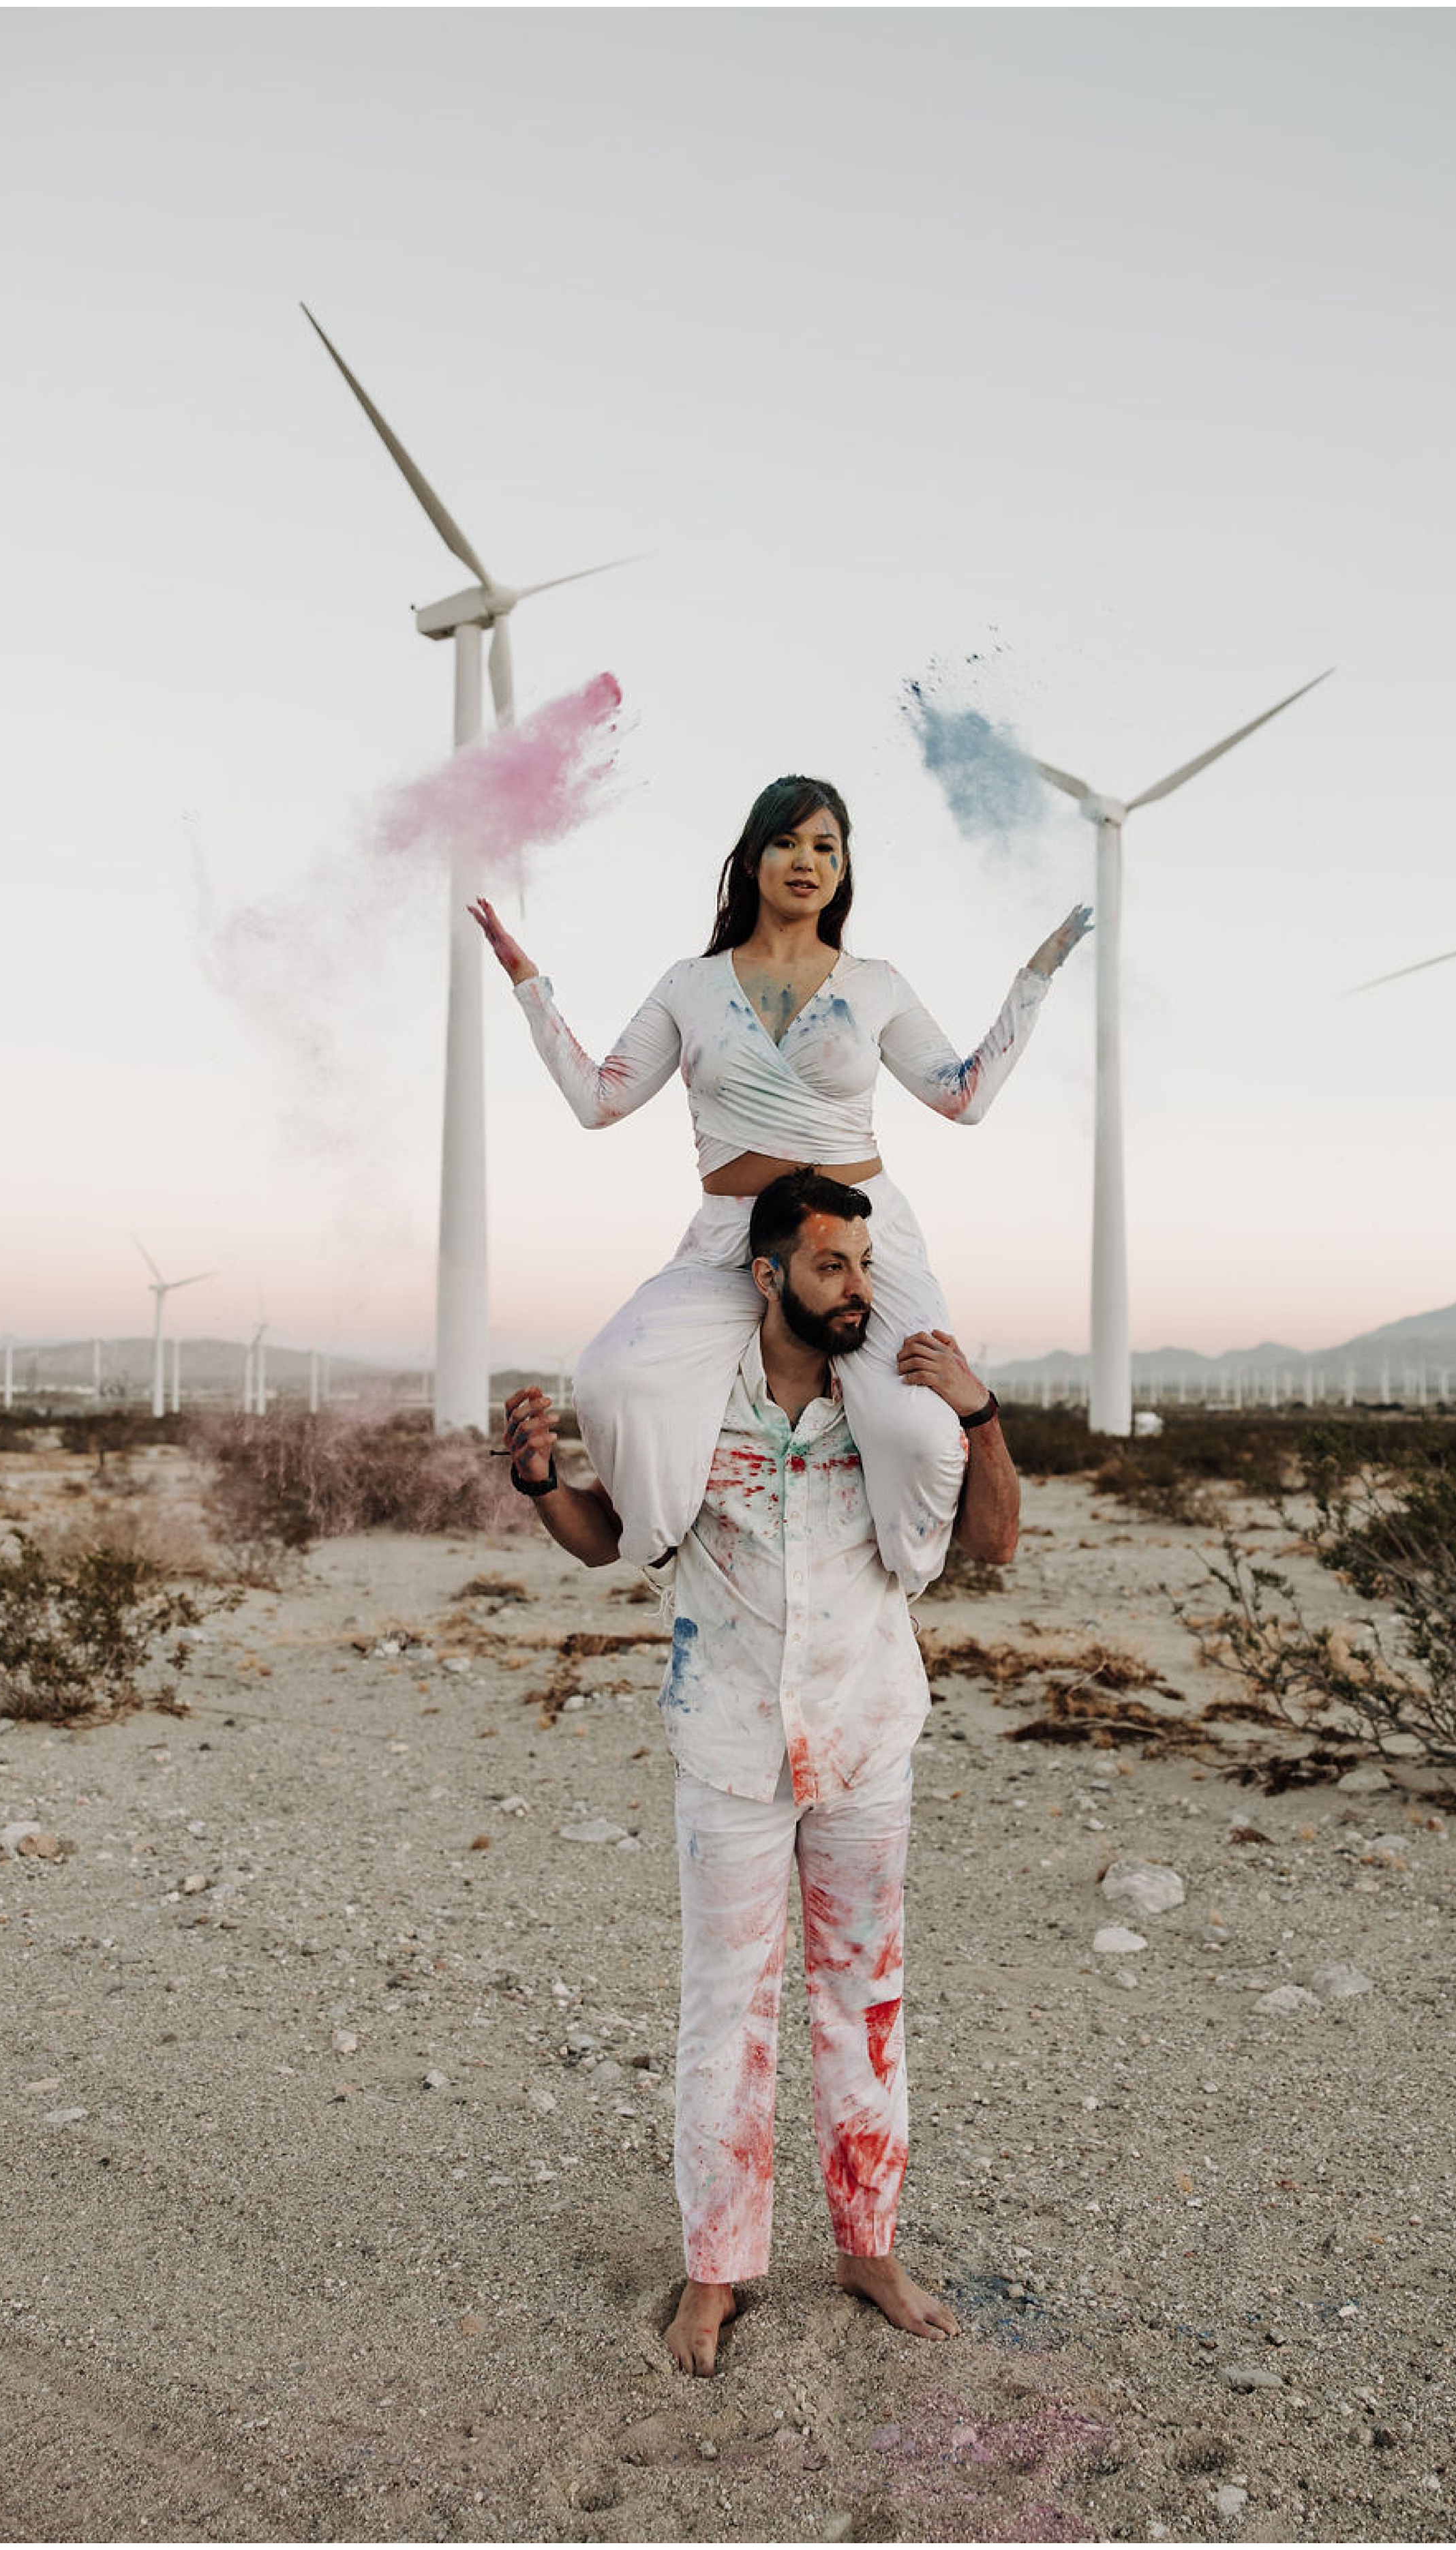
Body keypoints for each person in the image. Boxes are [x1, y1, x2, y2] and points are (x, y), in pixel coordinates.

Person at [500, 1169, 1021, 2375]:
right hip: (728, 1750)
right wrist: (538, 1486)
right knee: (724, 2017)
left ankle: (868, 2246)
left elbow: (993, 1543)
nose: (857, 1290)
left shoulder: (896, 1411)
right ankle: (717, 2271)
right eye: (832, 1266)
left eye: (866, 1268)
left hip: (864, 1745)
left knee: (866, 2002)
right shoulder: (691, 1408)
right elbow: (613, 1540)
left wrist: (980, 1411)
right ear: (768, 1272)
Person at [470, 771, 1085, 1595]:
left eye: (825, 846)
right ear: (751, 860)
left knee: (916, 1425)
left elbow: (961, 1097)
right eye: (787, 841)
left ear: (843, 870)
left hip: (862, 1241)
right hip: (733, 1235)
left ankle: (903, 1569)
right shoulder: (690, 982)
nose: (807, 859)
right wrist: (528, 985)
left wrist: (1033, 979)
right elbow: (599, 1099)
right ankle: (658, 1536)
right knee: (613, 1378)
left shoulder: (876, 983)